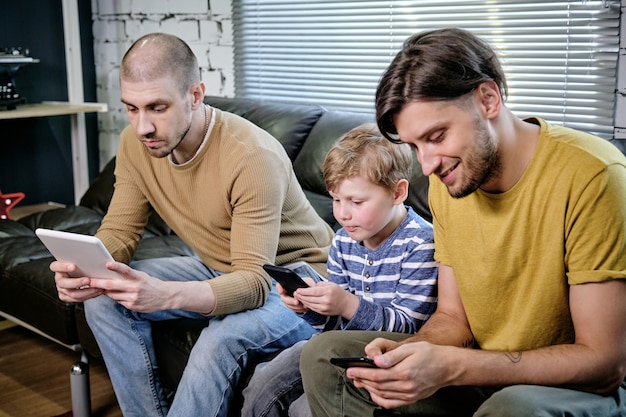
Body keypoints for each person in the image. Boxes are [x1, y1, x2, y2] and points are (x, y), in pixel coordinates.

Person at [299, 27, 626, 417]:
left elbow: (604, 364)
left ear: (487, 98)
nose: (427, 164)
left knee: (513, 406)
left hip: (565, 389)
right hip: (479, 372)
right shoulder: (447, 182)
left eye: (436, 136)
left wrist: (455, 366)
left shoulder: (593, 175)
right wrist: (409, 354)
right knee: (326, 357)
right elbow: (453, 317)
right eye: (415, 146)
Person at [51, 32, 334, 417]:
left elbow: (253, 283)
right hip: (221, 265)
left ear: (196, 95)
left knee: (219, 341)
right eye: (131, 109)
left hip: (299, 284)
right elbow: (120, 231)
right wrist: (87, 272)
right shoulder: (136, 145)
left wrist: (165, 295)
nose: (143, 127)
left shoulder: (251, 156)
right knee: (104, 298)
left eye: (157, 107)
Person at [241, 123, 438, 417]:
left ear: (398, 193)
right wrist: (311, 307)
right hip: (339, 347)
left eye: (356, 201)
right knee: (261, 383)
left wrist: (347, 304)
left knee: (302, 409)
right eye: (335, 199)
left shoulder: (422, 244)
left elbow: (408, 329)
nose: (343, 213)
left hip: (391, 355)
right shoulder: (344, 240)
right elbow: (334, 329)